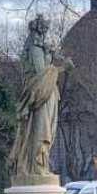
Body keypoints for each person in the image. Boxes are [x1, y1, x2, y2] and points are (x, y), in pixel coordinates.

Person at [7, 15, 73, 178]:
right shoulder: (35, 49)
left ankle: (40, 165)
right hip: (40, 94)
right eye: (44, 30)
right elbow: (41, 74)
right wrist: (62, 68)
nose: (45, 34)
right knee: (40, 131)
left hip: (48, 93)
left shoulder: (41, 47)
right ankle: (37, 167)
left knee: (45, 131)